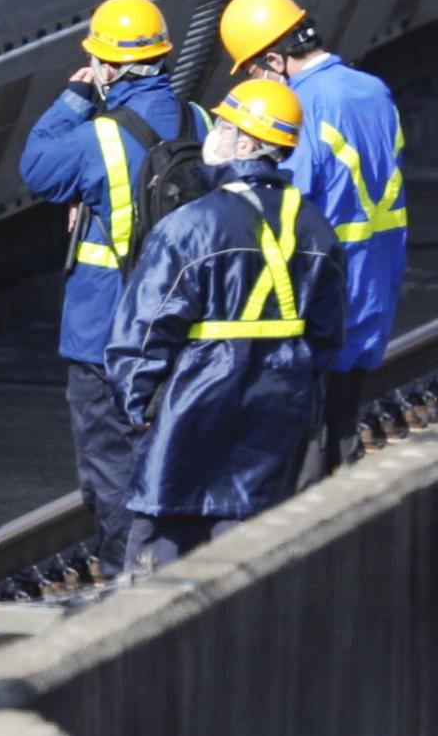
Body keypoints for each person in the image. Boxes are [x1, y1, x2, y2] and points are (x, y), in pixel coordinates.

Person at [107, 75, 349, 566]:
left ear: (246, 142)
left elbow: (143, 332)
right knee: (251, 555)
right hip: (279, 410)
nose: (210, 136)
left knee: (163, 548)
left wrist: (139, 411)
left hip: (193, 407)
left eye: (221, 125)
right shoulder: (315, 227)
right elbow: (327, 337)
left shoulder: (190, 225)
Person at [16, 0, 187, 565]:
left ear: (109, 67)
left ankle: (126, 576)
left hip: (104, 331)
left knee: (110, 465)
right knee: (167, 451)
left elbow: (36, 166)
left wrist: (73, 96)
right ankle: (168, 556)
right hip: (182, 324)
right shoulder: (203, 123)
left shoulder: (99, 138)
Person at [215, 0, 407, 468]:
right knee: (342, 424)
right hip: (375, 281)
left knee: (306, 454)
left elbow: (279, 203)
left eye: (255, 70)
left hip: (320, 295)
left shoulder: (303, 108)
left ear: (276, 61)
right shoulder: (373, 89)